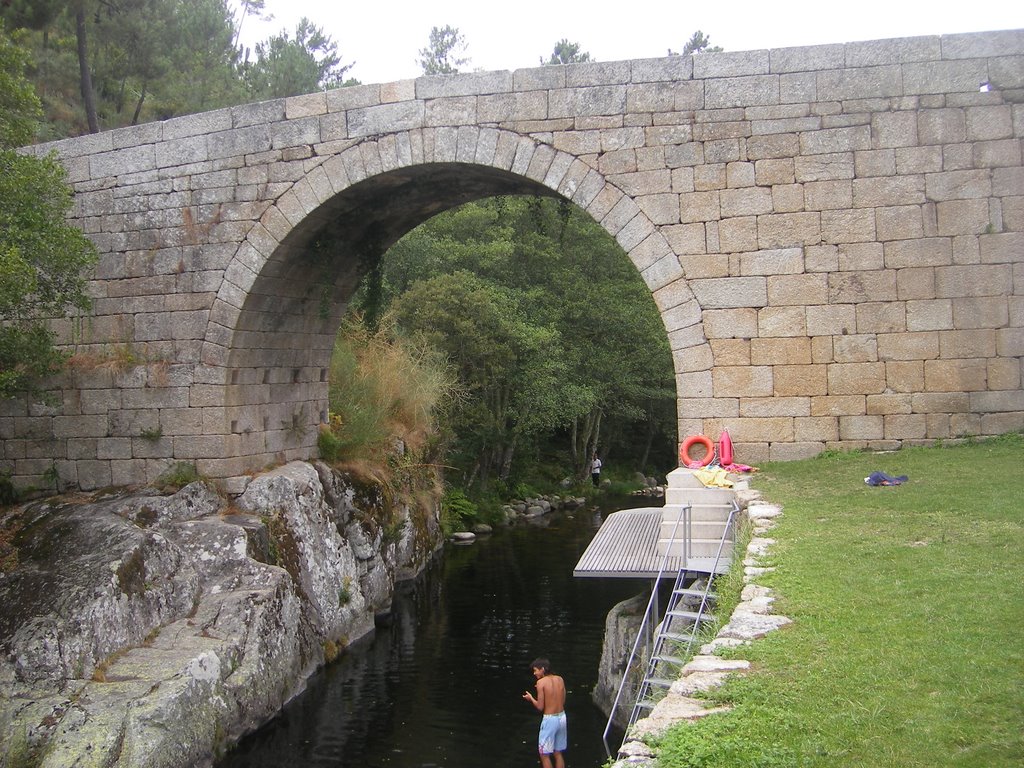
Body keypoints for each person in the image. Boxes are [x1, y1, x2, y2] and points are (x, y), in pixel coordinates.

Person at [522, 657, 567, 768]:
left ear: (542, 669)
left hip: (550, 720)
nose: (534, 673)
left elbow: (540, 707)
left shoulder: (541, 683)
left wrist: (531, 698)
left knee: (544, 754)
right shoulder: (560, 679)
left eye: (535, 670)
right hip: (562, 717)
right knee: (558, 752)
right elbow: (563, 700)